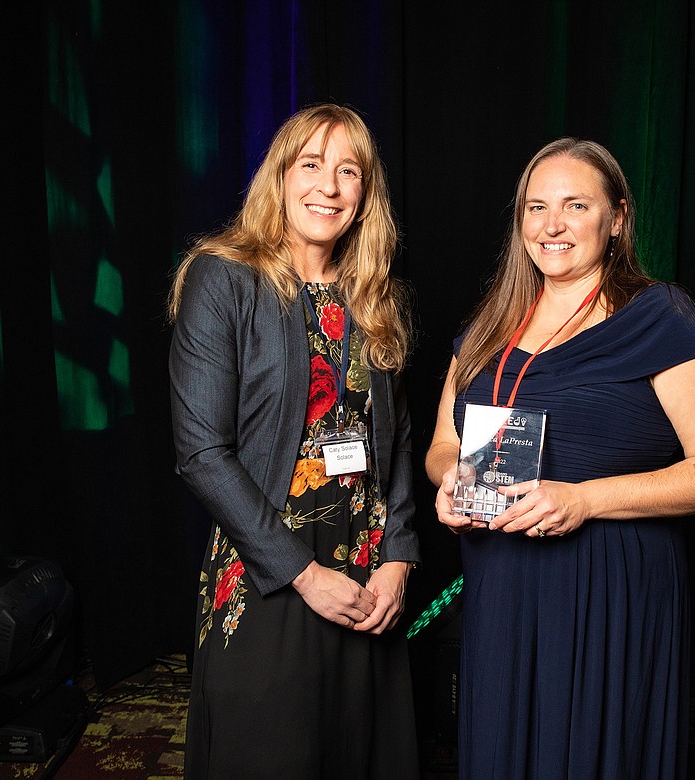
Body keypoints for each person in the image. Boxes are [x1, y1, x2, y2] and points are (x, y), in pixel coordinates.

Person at [426, 138, 695, 779]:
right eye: (537, 206)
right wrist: (451, 482)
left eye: (576, 205)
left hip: (608, 580)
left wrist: (584, 499)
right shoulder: (491, 324)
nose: (552, 225)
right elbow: (444, 444)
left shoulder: (660, 317)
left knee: (590, 750)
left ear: (618, 217)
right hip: (502, 581)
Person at [168, 103, 420, 779]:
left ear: (366, 192)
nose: (328, 187)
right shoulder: (222, 278)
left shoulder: (374, 294)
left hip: (366, 573)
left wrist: (398, 557)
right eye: (311, 165)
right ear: (279, 176)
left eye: (348, 171)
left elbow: (393, 443)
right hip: (269, 568)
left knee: (360, 753)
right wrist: (305, 577)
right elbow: (200, 451)